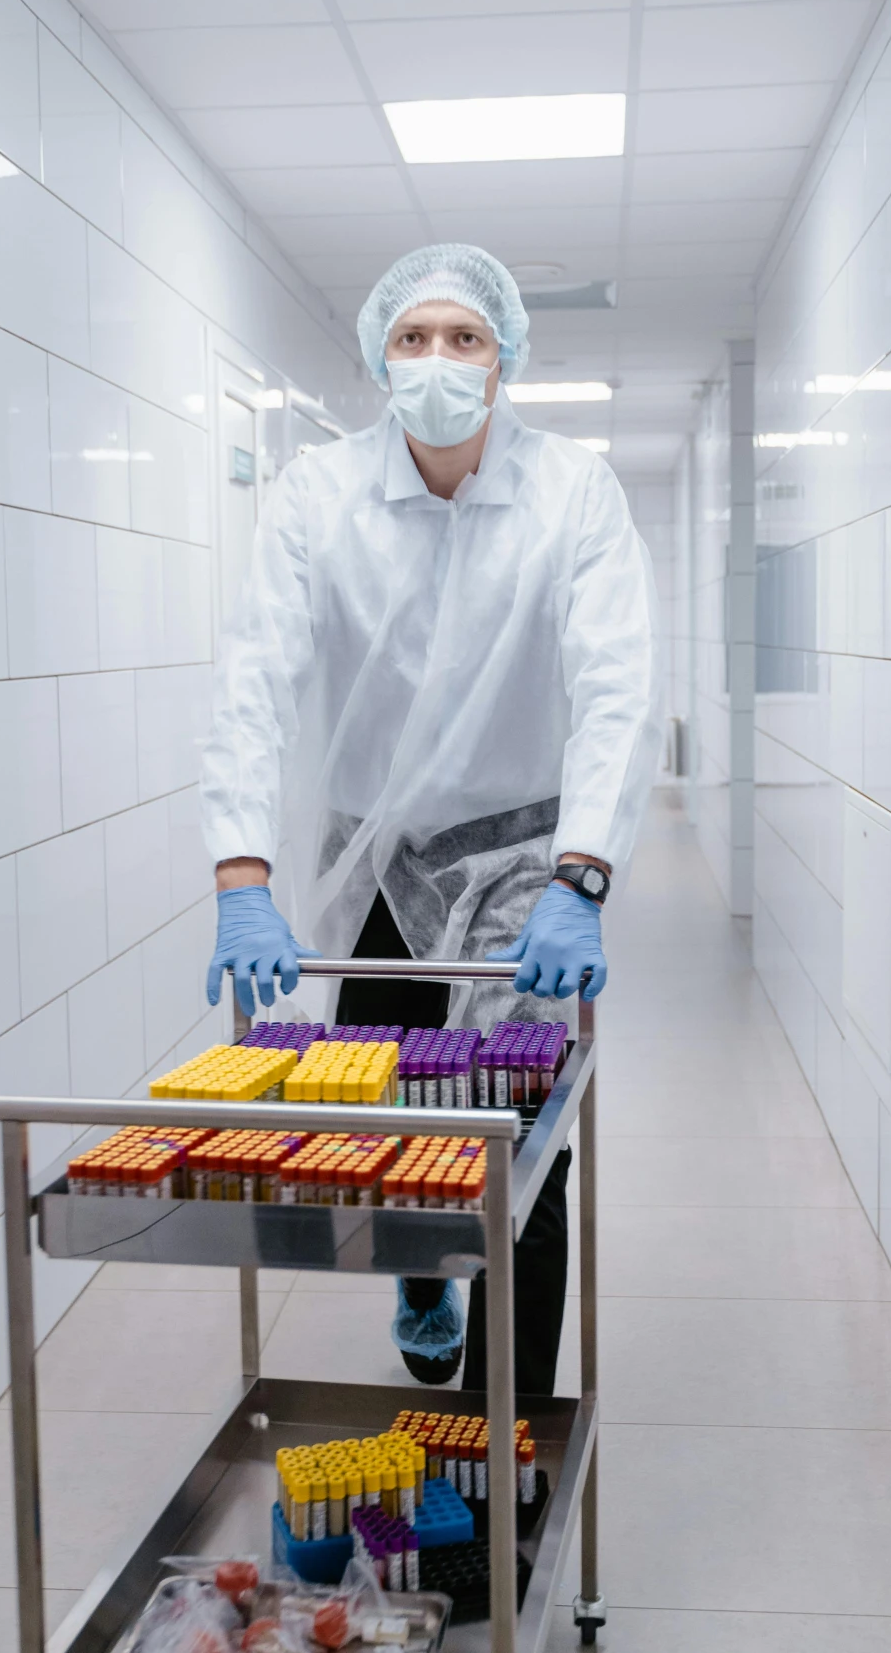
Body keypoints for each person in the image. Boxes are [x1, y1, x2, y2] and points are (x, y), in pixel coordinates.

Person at [200, 244, 660, 1392]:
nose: (439, 361)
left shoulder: (571, 491)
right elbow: (254, 678)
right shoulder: (320, 495)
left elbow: (617, 688)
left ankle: (502, 1442)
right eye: (414, 338)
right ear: (377, 358)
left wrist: (582, 875)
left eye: (465, 339)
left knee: (524, 1152)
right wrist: (240, 875)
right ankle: (419, 1273)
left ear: (505, 360)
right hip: (378, 865)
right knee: (390, 1124)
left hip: (522, 867)